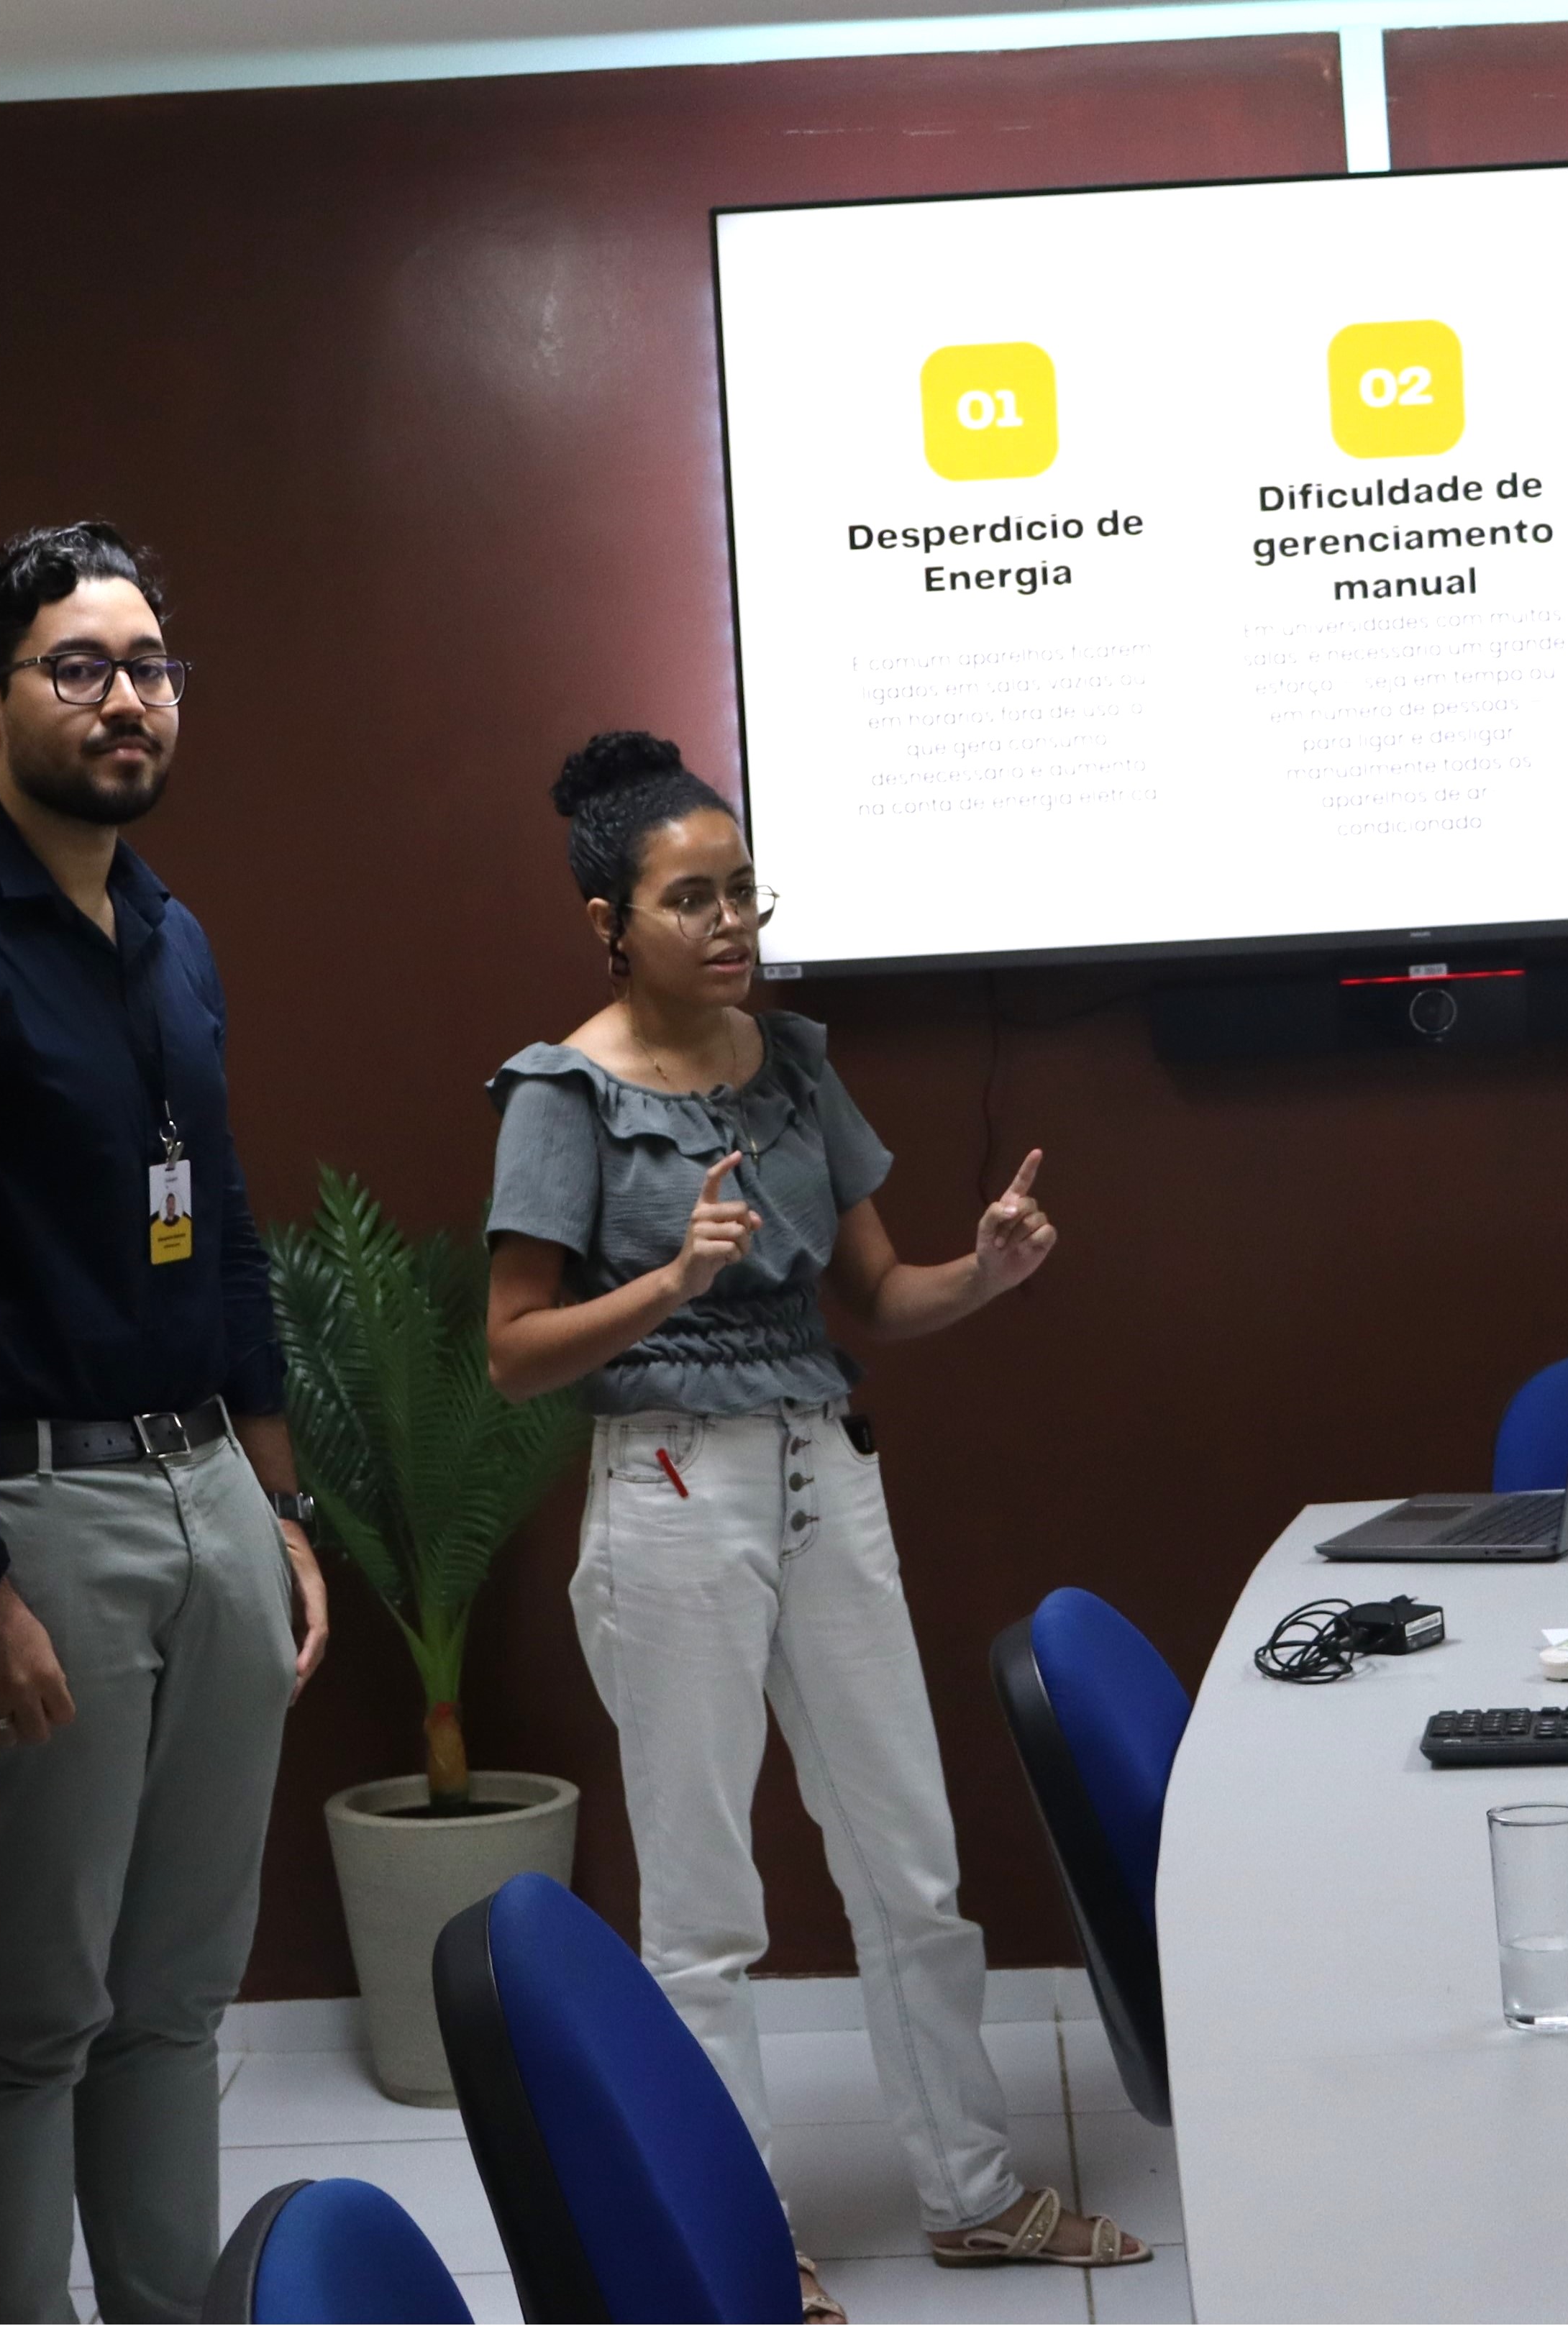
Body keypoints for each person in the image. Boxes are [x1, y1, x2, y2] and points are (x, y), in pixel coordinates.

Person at [483, 731, 1145, 2318]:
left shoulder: (790, 1064)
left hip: (823, 1468)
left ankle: (973, 2195)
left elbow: (880, 1296)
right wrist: (671, 1280)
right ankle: (742, 2249)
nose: (731, 924)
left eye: (744, 893)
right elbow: (512, 1352)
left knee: (911, 1863)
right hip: (667, 1487)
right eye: (691, 899)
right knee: (703, 1910)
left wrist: (988, 1271)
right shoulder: (560, 1093)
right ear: (609, 921)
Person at [0, 521, 326, 2325]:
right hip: (38, 1513)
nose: (128, 700)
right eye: (80, 667)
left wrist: (279, 1508)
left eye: (152, 667)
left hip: (204, 1490)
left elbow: (223, 1221)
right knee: (32, 2014)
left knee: (177, 2000)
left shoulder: (168, 931)